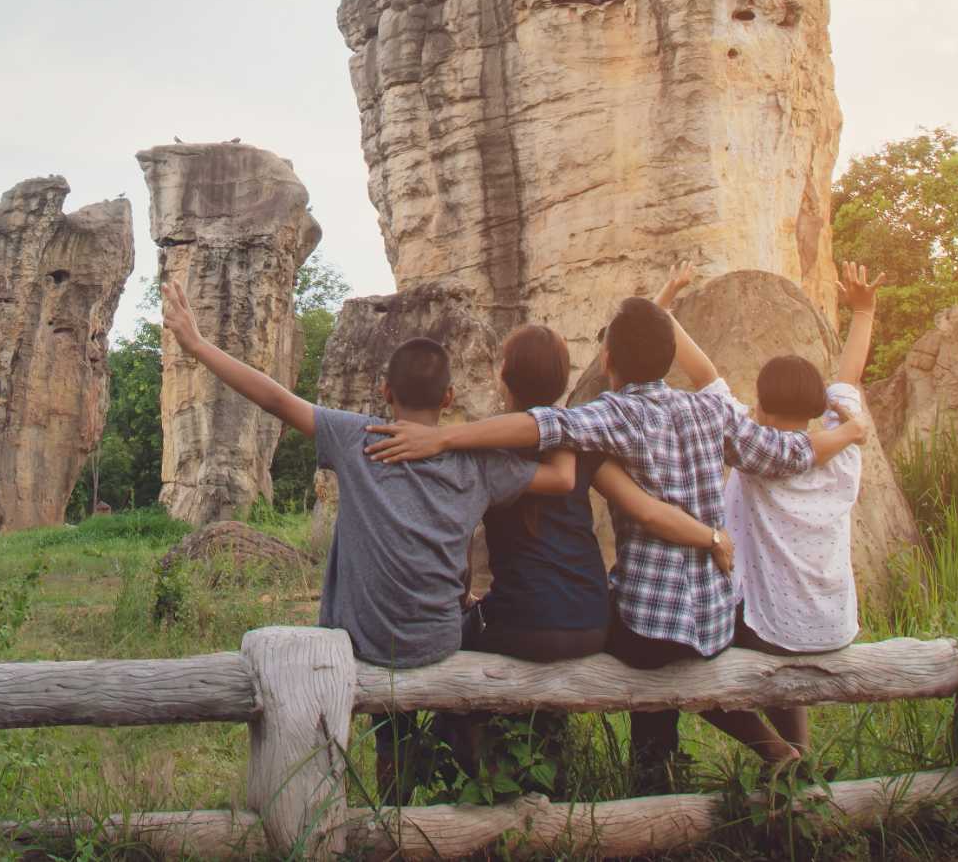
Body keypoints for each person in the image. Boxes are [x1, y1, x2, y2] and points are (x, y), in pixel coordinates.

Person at [366, 270, 866, 791]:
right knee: (628, 621)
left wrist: (444, 440)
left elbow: (542, 425)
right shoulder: (710, 409)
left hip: (648, 630)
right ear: (667, 359)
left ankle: (596, 772)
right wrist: (849, 434)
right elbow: (786, 452)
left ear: (608, 362)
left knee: (621, 619)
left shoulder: (613, 413)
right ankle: (663, 771)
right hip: (714, 626)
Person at [156, 277, 575, 801]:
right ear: (449, 398)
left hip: (365, 641)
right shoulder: (479, 464)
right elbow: (561, 478)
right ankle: (462, 774)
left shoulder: (358, 438)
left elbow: (273, 397)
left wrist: (196, 345)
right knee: (470, 616)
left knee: (392, 720)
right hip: (439, 640)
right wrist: (566, 417)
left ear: (384, 393)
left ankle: (393, 792)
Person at [459, 323, 728, 796]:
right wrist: (711, 537)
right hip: (593, 620)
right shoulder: (584, 448)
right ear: (565, 380)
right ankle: (652, 773)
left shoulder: (485, 447)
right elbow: (645, 508)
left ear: (503, 375)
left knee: (459, 650)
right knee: (646, 643)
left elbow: (454, 533)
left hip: (521, 622)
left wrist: (463, 592)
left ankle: (488, 781)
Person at [660, 259, 883, 777]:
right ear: (815, 405)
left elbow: (704, 374)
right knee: (778, 609)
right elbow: (849, 375)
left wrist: (667, 306)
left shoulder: (756, 449)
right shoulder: (846, 443)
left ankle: (773, 750)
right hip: (833, 624)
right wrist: (864, 311)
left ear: (758, 404)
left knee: (676, 660)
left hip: (772, 629)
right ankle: (803, 758)